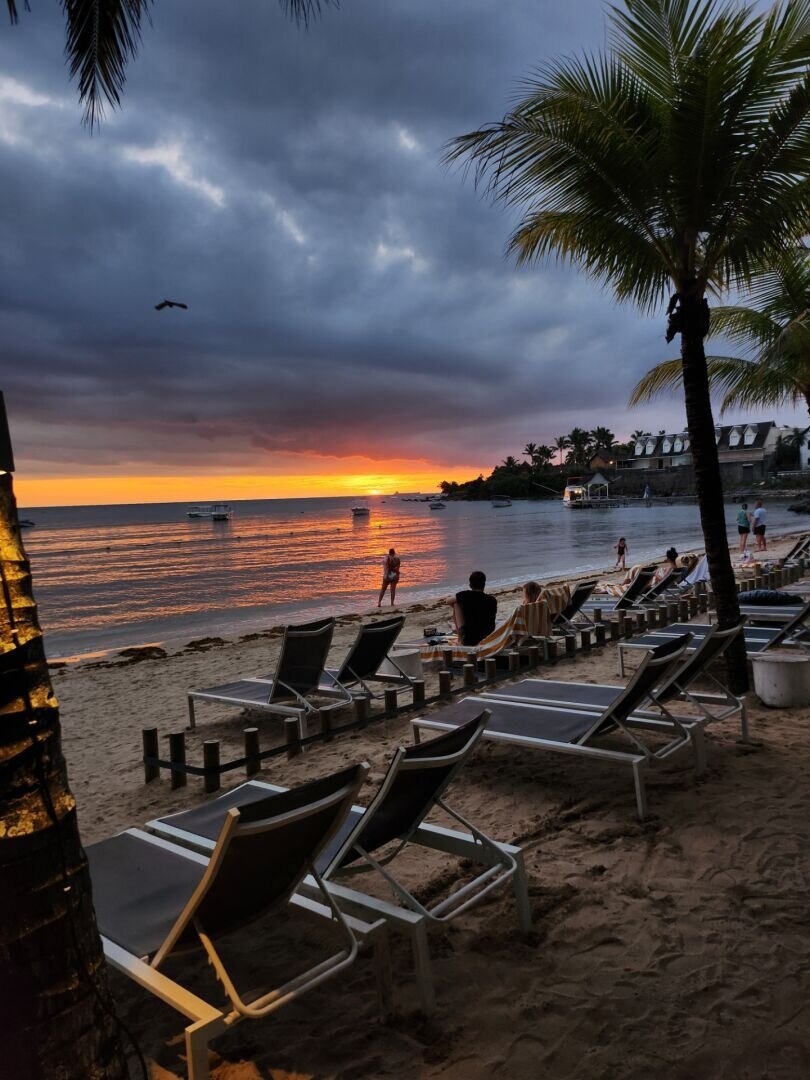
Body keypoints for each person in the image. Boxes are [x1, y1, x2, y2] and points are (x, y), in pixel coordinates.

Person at [452, 571, 497, 646]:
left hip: (470, 640)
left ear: (470, 585)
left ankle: (460, 639)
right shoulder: (492, 600)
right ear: (484, 584)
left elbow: (448, 601)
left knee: (456, 604)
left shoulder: (465, 595)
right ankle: (456, 631)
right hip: (488, 637)